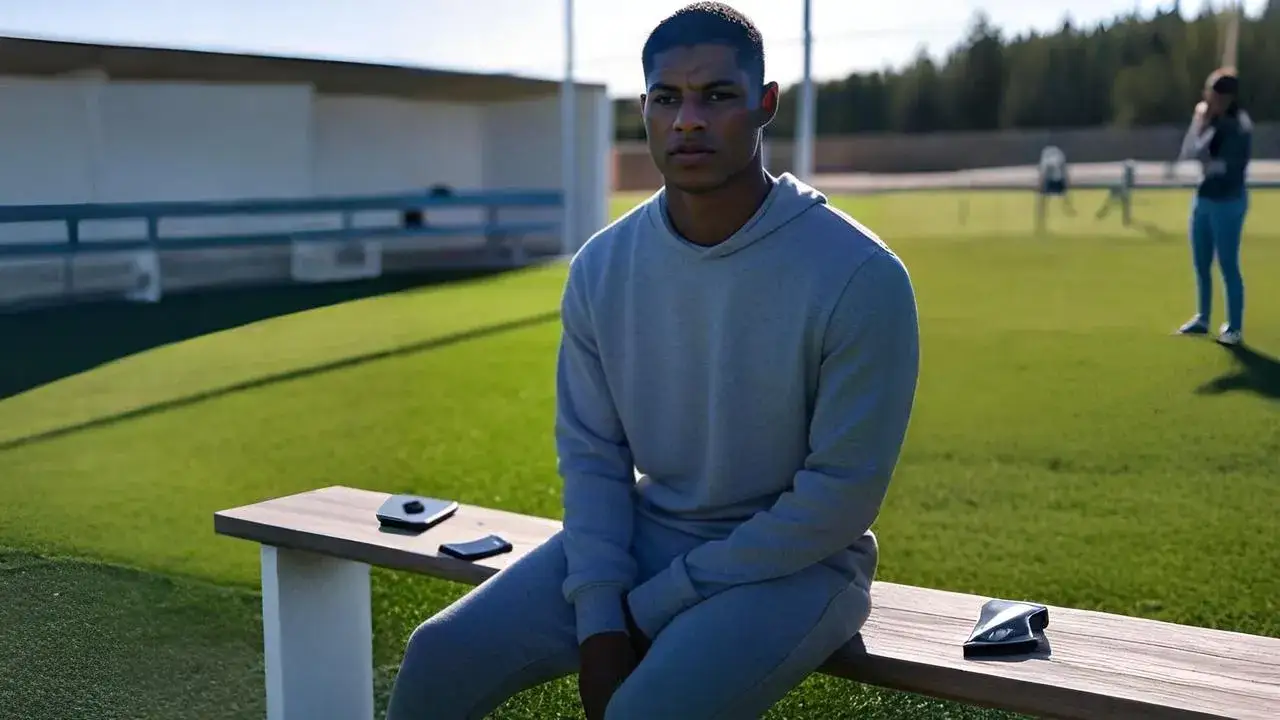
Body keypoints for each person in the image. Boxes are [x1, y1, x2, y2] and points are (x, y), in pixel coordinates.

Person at [383, 3, 920, 718]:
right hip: (648, 535)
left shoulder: (861, 275)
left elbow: (840, 499)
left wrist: (654, 605)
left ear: (765, 106)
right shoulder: (603, 267)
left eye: (717, 97)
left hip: (802, 566)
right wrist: (602, 613)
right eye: (667, 98)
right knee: (438, 657)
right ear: (643, 109)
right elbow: (594, 458)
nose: (687, 120)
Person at [1175, 67, 1252, 346]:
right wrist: (1198, 122)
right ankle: (1203, 317)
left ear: (1229, 98)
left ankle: (1234, 327)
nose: (1212, 100)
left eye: (1217, 95)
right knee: (1201, 262)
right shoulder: (1207, 119)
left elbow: (1220, 165)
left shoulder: (1237, 124)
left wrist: (1204, 130)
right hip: (1205, 198)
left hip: (1229, 201)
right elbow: (1188, 152)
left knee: (1228, 264)